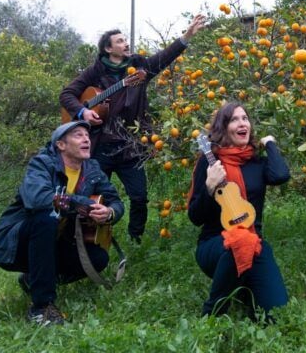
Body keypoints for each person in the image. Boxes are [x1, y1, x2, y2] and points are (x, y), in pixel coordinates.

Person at [60, 14, 206, 243]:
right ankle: (88, 239)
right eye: (119, 41)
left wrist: (187, 36)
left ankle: (135, 238)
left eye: (125, 40)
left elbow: (163, 58)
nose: (126, 43)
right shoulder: (95, 72)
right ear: (108, 49)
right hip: (101, 147)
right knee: (92, 197)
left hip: (131, 146)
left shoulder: (140, 68)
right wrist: (83, 112)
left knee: (139, 197)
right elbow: (66, 94)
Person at [0, 121, 125, 325]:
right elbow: (38, 199)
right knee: (47, 217)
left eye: (87, 135)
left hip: (59, 239)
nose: (86, 138)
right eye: (78, 135)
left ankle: (34, 279)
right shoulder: (42, 164)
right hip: (19, 241)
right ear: (61, 145)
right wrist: (82, 203)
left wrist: (110, 213)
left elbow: (116, 202)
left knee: (99, 258)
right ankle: (41, 307)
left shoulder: (92, 168)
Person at [188, 102, 290, 320]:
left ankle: (242, 285)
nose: (242, 123)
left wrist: (270, 143)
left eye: (245, 118)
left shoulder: (256, 163)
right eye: (234, 119)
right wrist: (209, 187)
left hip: (254, 243)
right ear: (223, 128)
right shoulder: (210, 165)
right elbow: (195, 217)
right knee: (239, 240)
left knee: (276, 311)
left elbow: (281, 175)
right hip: (215, 246)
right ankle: (212, 314)